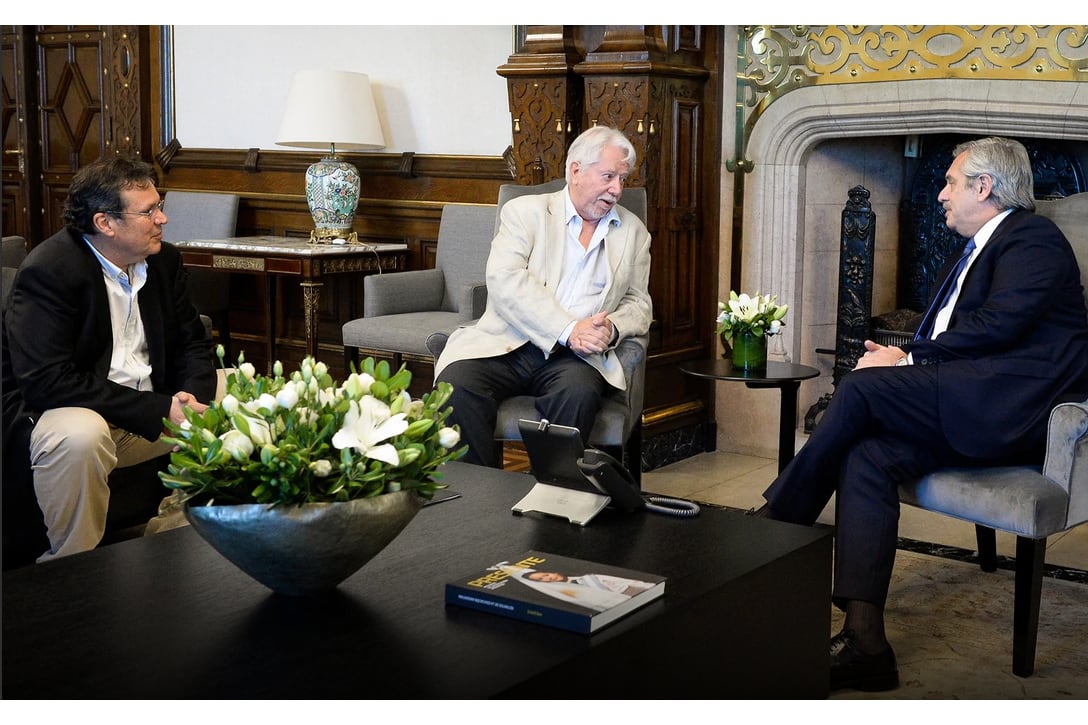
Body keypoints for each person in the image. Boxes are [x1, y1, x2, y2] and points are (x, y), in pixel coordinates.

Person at [755, 137, 1088, 692]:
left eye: (951, 182)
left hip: (1012, 410)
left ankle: (772, 528)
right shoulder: (979, 248)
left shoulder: (1034, 238)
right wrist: (903, 359)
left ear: (985, 187)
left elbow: (1001, 325)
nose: (940, 195)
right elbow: (963, 332)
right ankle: (866, 643)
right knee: (865, 457)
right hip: (968, 399)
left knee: (861, 391)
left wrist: (905, 358)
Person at [2, 156, 217, 562]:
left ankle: (171, 539)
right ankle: (72, 565)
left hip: (148, 402)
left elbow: (193, 341)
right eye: (150, 210)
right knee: (81, 435)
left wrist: (190, 397)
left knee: (245, 396)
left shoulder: (163, 261)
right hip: (67, 411)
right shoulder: (50, 271)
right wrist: (162, 409)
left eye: (160, 205)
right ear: (105, 223)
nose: (163, 218)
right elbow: (48, 382)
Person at [434, 126, 652, 467]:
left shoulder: (633, 232)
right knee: (457, 384)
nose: (617, 189)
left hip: (577, 357)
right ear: (576, 170)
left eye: (623, 179)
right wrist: (568, 328)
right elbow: (505, 280)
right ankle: (474, 499)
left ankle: (554, 501)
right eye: (609, 176)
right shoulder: (525, 213)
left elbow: (639, 302)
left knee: (577, 393)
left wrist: (610, 328)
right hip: (509, 344)